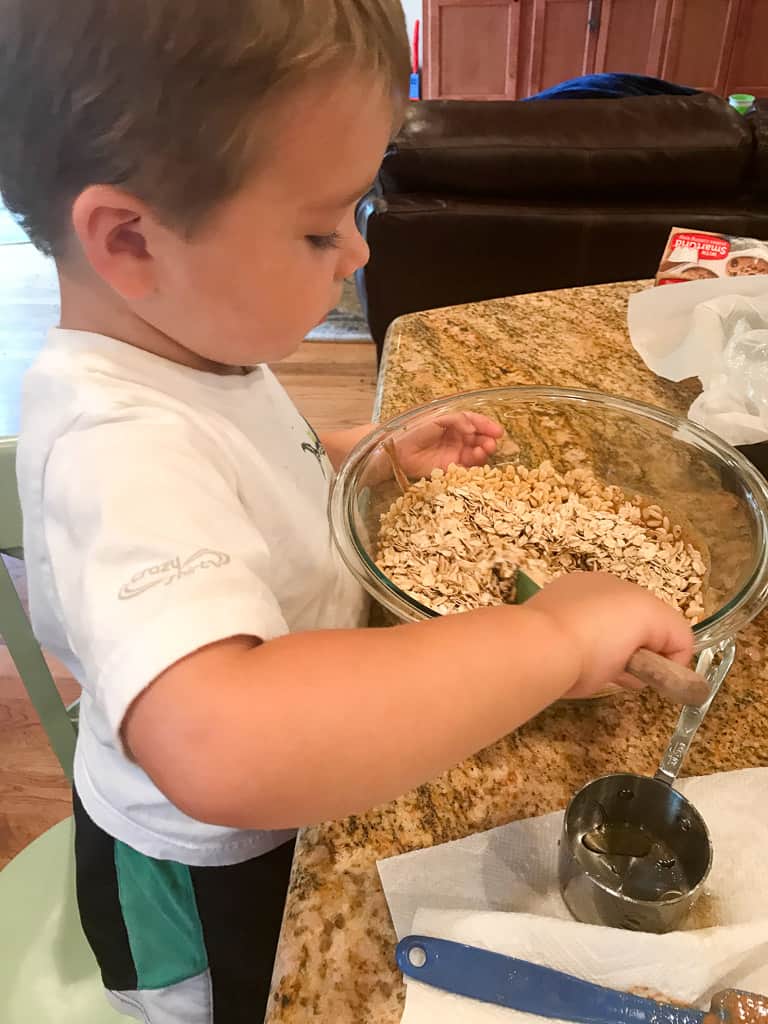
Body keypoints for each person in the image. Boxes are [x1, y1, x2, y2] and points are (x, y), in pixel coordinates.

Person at [0, 2, 694, 1022]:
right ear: (131, 240)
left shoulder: (189, 347)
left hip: (294, 810)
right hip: (212, 883)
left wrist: (354, 462)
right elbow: (222, 744)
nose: (358, 255)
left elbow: (232, 473)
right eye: (322, 227)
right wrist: (545, 636)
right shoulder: (116, 447)